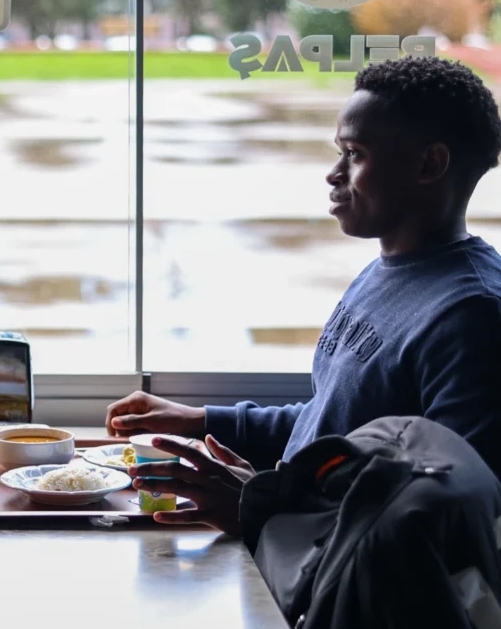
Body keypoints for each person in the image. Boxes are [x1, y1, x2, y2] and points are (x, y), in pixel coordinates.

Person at [106, 55, 501, 536]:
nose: (334, 173)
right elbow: (333, 421)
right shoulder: (387, 273)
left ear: (429, 164)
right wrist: (201, 420)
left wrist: (259, 508)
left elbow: (447, 522)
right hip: (290, 552)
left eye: (355, 154)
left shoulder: (474, 317)